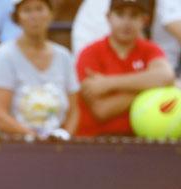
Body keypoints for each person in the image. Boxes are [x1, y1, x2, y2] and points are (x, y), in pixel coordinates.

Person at [0, 0, 79, 140]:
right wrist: (35, 138)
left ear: (51, 14)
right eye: (27, 10)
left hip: (53, 149)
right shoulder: (3, 55)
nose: (34, 16)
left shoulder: (64, 56)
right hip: (6, 147)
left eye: (39, 9)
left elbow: (74, 111)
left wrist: (64, 137)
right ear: (17, 17)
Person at [75, 0, 175, 137]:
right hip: (95, 142)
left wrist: (108, 83)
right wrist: (150, 86)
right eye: (120, 14)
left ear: (144, 20)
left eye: (134, 16)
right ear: (108, 17)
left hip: (140, 139)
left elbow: (166, 76)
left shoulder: (150, 49)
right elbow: (102, 110)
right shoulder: (90, 53)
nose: (126, 22)